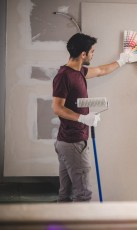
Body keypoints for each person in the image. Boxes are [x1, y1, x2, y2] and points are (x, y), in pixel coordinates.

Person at [52, 33, 130, 202]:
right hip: (73, 142)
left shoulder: (79, 71)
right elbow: (57, 108)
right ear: (83, 54)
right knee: (83, 194)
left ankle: (63, 226)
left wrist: (123, 60)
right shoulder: (64, 76)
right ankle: (82, 228)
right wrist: (82, 118)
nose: (93, 54)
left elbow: (102, 70)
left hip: (68, 141)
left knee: (66, 194)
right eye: (92, 51)